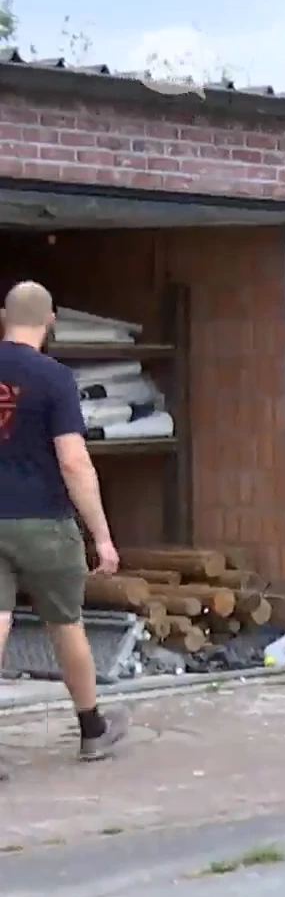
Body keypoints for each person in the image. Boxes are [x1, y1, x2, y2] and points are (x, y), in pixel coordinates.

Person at [0, 280, 130, 782]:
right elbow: (74, 461)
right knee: (65, 623)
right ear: (50, 319)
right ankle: (92, 729)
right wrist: (102, 536)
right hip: (44, 521)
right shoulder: (54, 378)